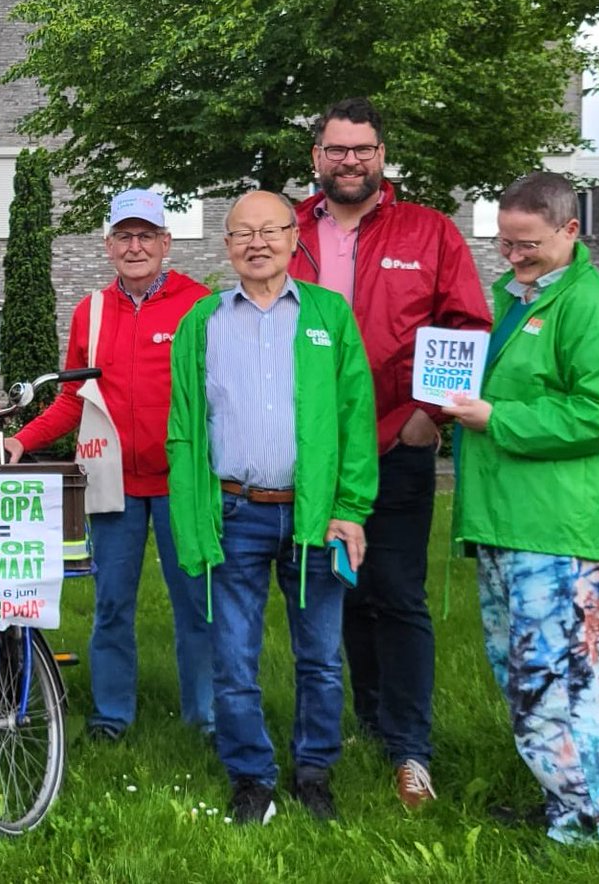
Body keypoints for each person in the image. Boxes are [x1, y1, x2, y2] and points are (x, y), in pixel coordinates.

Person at [287, 97, 492, 806]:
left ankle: (410, 750)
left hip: (396, 441)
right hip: (314, 448)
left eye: (363, 149)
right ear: (317, 157)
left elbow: (467, 326)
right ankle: (371, 723)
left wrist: (430, 416)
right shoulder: (289, 231)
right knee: (342, 587)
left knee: (398, 594)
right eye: (337, 149)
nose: (350, 161)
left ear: (381, 155)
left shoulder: (429, 231)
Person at [445, 171, 599, 846]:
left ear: (570, 229)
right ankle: (564, 806)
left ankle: (583, 827)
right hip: (509, 523)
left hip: (559, 531)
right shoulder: (522, 299)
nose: (513, 255)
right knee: (529, 681)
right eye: (504, 242)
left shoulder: (593, 307)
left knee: (562, 682)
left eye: (526, 243)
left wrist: (496, 418)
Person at [168, 190, 377, 825]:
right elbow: (184, 429)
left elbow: (355, 417)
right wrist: (192, 517)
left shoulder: (328, 315)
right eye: (243, 233)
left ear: (293, 238)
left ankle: (314, 773)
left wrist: (350, 507)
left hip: (315, 516)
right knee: (233, 658)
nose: (257, 243)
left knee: (320, 658)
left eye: (270, 230)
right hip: (235, 512)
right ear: (227, 245)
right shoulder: (201, 322)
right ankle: (251, 778)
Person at [0, 189, 214, 742]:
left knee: (197, 603)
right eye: (124, 236)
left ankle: (208, 717)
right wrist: (21, 440)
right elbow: (73, 399)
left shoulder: (199, 305)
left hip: (183, 483)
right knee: (112, 604)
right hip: (114, 482)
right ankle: (112, 715)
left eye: (146, 236)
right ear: (108, 245)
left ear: (166, 243)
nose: (135, 246)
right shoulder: (90, 313)